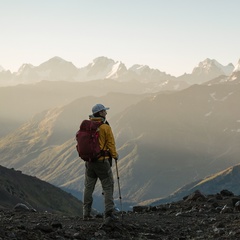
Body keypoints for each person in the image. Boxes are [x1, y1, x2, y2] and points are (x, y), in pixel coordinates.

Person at [83, 103, 119, 221]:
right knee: (108, 186)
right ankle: (109, 213)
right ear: (100, 113)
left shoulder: (88, 125)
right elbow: (110, 143)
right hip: (102, 161)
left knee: (88, 187)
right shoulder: (105, 127)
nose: (106, 113)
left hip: (89, 162)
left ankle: (86, 214)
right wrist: (114, 155)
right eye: (104, 111)